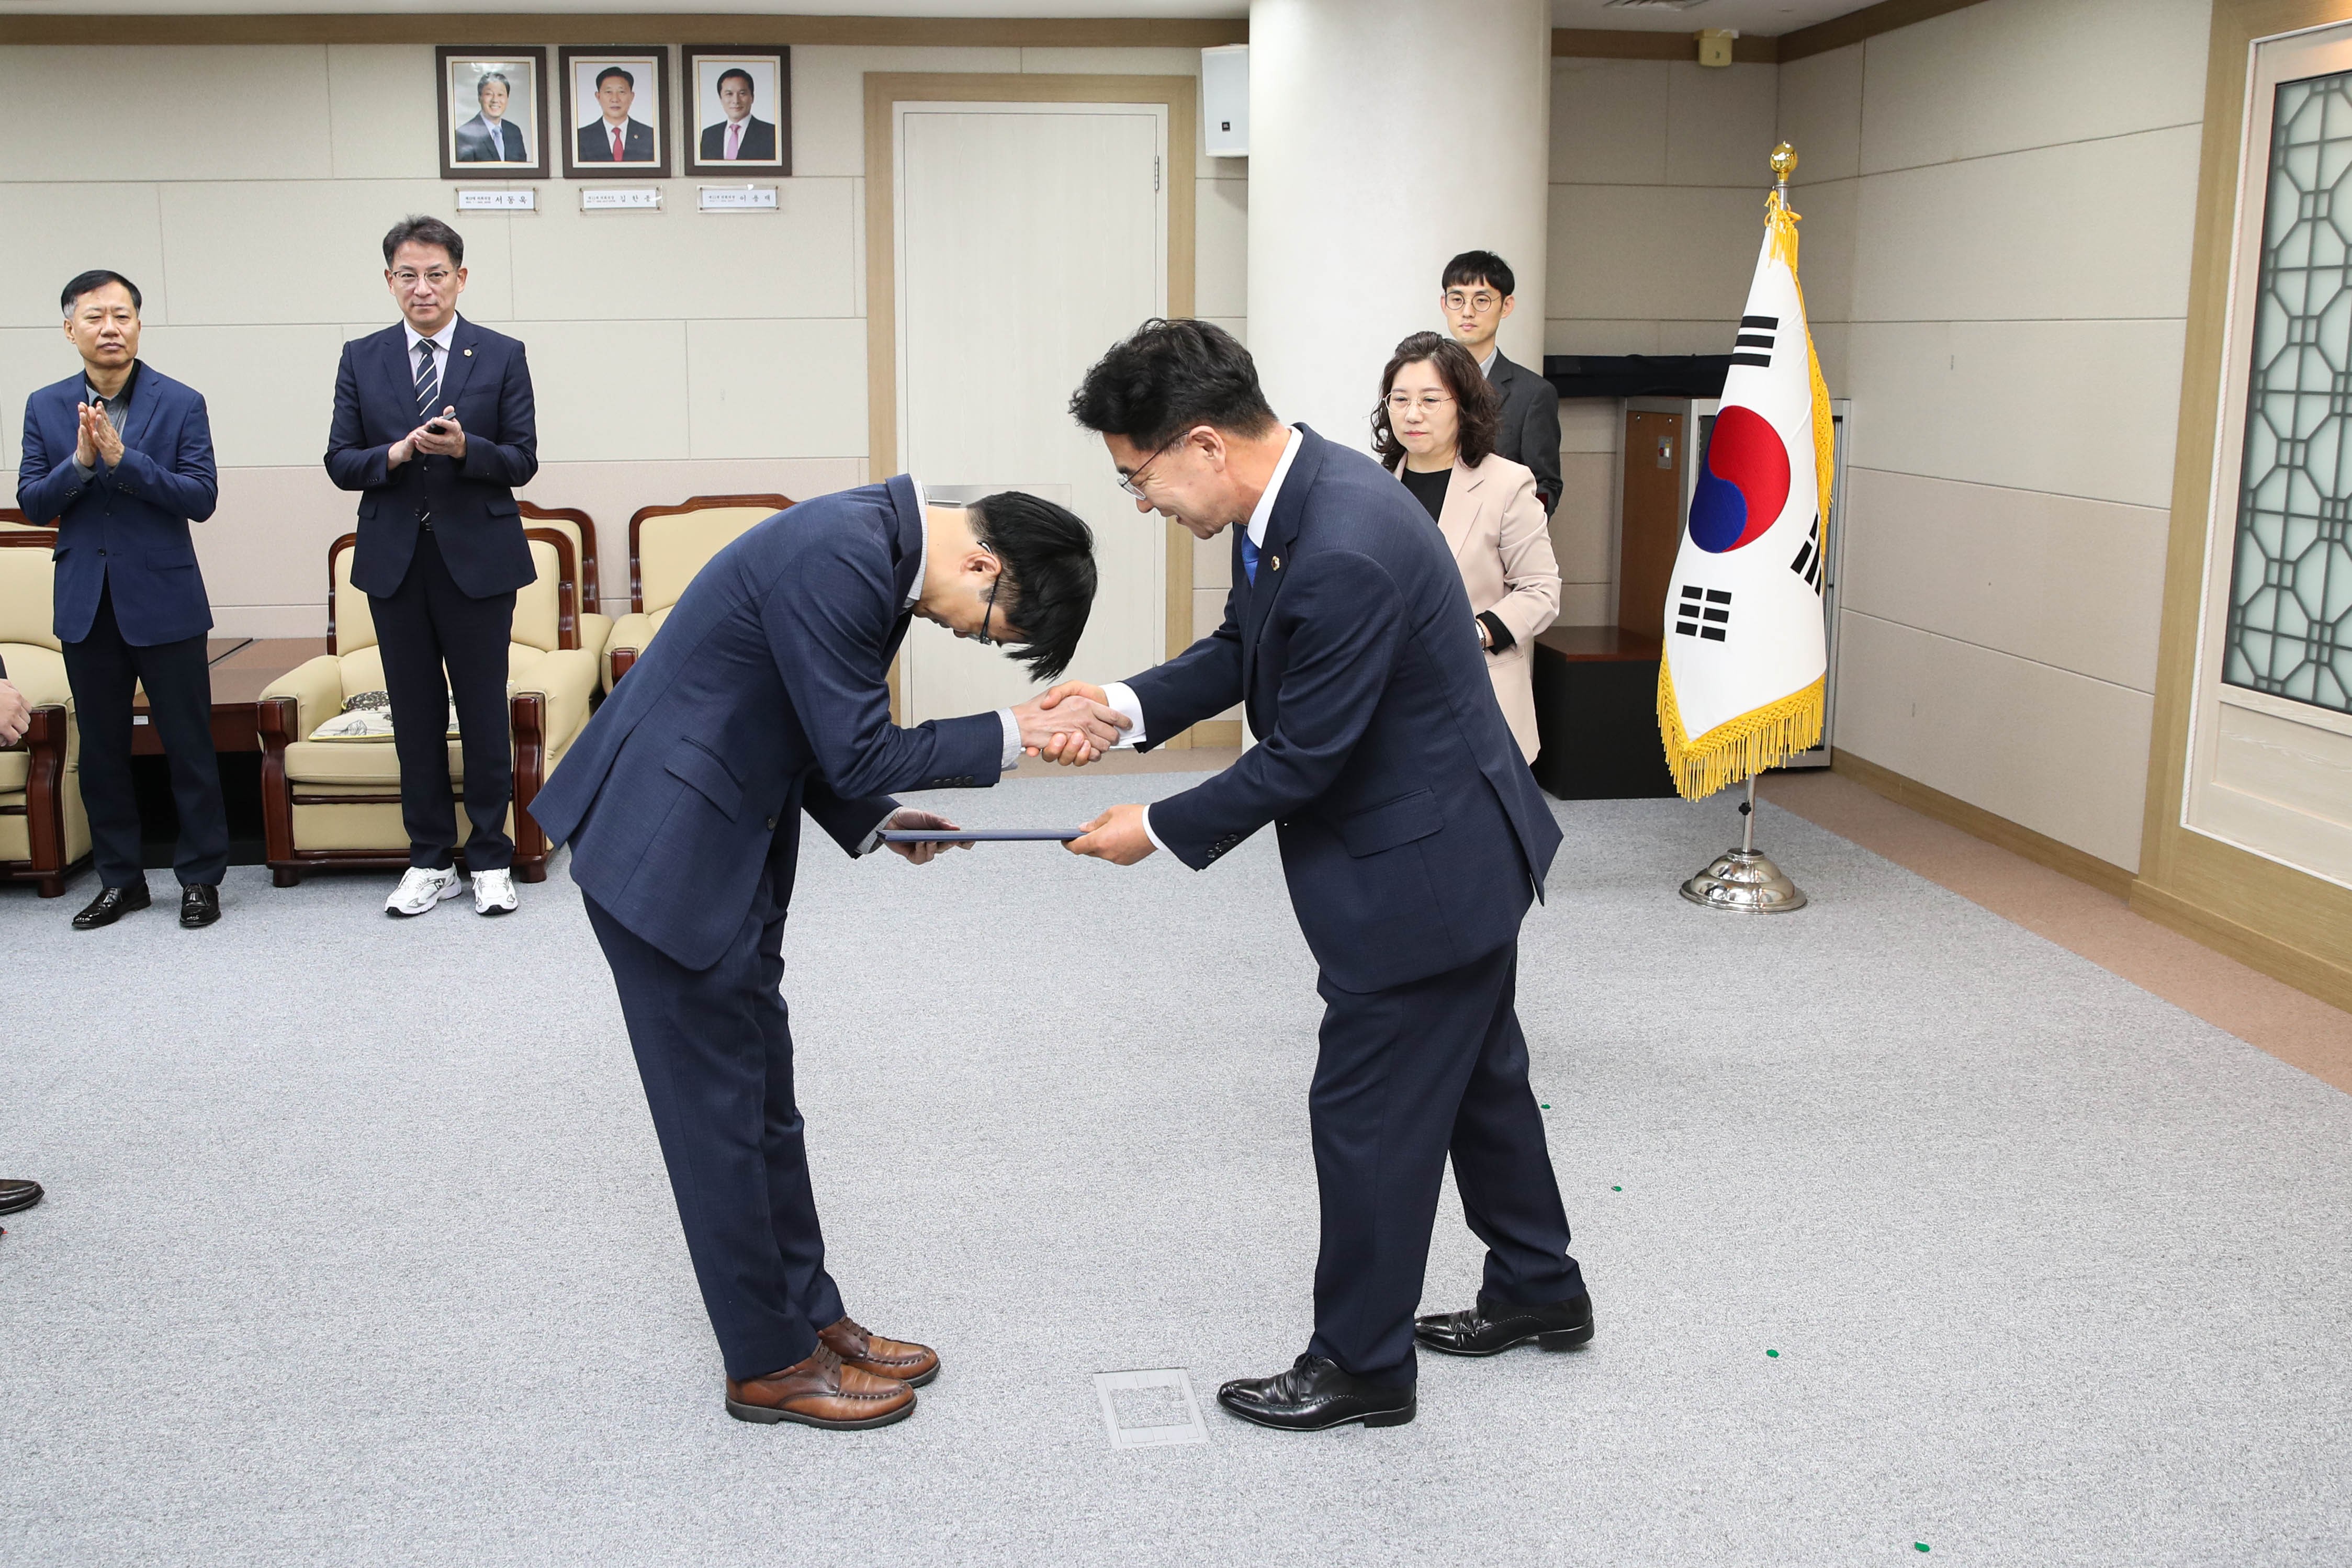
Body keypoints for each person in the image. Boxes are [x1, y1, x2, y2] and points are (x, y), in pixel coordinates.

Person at [1053, 319, 1589, 1434]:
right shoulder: (1295, 498)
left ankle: (1360, 1364)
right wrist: (1126, 706)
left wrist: (1154, 827)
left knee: (1369, 1115)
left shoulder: (1341, 539)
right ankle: (1540, 1285)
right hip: (1458, 849)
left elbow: (1305, 756)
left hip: (1424, 876)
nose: (1142, 502)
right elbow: (1248, 646)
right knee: (1481, 1084)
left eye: (1138, 478)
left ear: (1202, 444)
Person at [526, 482, 1127, 1431]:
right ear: (983, 563)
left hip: (725, 832)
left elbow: (809, 724)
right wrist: (1018, 730)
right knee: (717, 1122)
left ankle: (810, 1314)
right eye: (985, 626)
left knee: (766, 1103)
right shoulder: (844, 556)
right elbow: (851, 745)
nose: (968, 635)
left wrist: (879, 818)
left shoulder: (874, 551)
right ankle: (767, 1363)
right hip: (668, 850)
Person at [324, 216, 539, 918]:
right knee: (413, 716)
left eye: (436, 274)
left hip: (477, 560)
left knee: (482, 712)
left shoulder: (501, 354)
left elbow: (522, 459)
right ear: (390, 282)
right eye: (408, 276)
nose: (423, 288)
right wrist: (393, 454)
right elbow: (339, 460)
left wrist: (462, 449)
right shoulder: (361, 357)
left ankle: (488, 857)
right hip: (394, 561)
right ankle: (427, 859)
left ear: (461, 278)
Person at [17, 270, 228, 932]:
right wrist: (80, 464)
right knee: (103, 753)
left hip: (164, 598)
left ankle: (199, 878)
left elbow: (200, 497)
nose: (110, 328)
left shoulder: (182, 401)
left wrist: (123, 459)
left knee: (189, 747)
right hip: (87, 603)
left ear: (138, 323)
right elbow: (32, 503)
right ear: (69, 328)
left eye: (122, 315)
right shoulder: (45, 405)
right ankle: (121, 880)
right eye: (95, 317)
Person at [1374, 331, 1560, 763]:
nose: (1412, 414)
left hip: (1477, 694)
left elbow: (1541, 590)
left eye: (1430, 400)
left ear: (1463, 405)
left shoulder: (1507, 483)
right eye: (1399, 400)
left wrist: (1474, 633)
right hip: (1389, 699)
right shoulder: (1375, 486)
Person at [1441, 251, 1562, 516]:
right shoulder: (1424, 384)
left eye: (1482, 300)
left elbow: (1545, 486)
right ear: (1444, 305)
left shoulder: (1533, 394)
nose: (1468, 312)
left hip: (1495, 544)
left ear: (1506, 306)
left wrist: (1513, 536)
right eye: (1457, 300)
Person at [577, 65, 655, 163]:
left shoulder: (650, 136)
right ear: (598, 96)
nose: (615, 99)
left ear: (632, 96)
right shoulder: (581, 138)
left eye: (622, 92)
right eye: (609, 92)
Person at [699, 67, 777, 161]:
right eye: (729, 94)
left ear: (752, 97)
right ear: (721, 99)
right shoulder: (709, 135)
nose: (736, 101)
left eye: (742, 94)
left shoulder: (771, 134)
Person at [453, 71, 527, 163]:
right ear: (479, 97)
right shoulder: (463, 135)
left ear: (507, 98)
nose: (495, 100)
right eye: (489, 94)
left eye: (500, 95)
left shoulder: (514, 131)